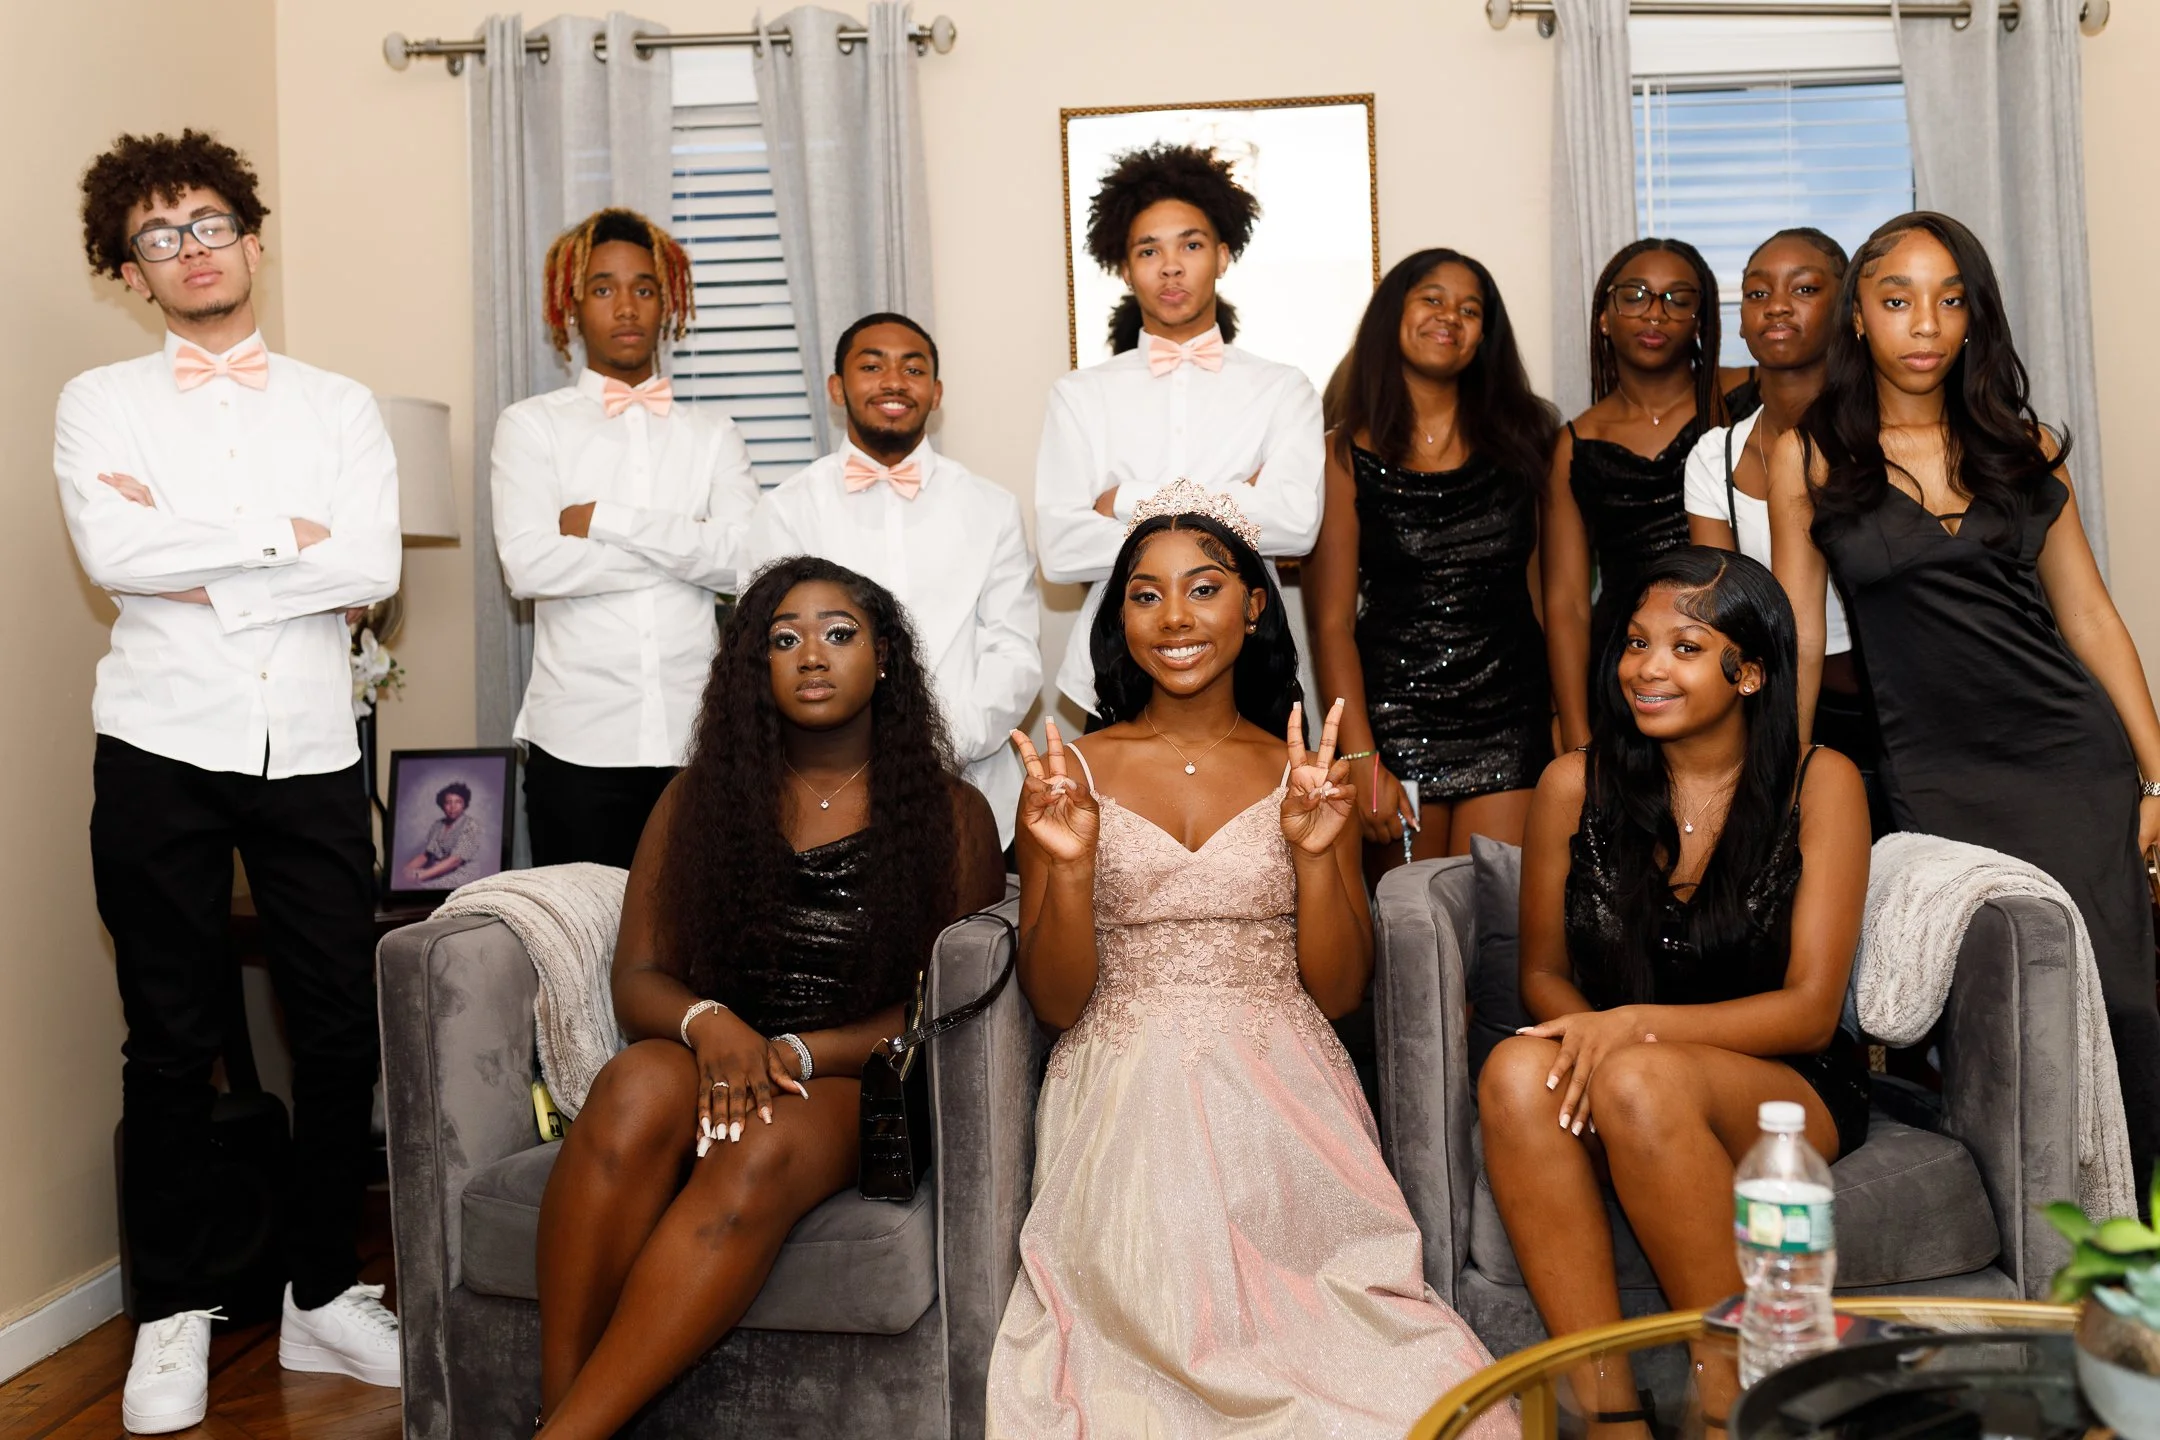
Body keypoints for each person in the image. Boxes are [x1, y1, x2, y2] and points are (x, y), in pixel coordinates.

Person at [987, 483, 1509, 1438]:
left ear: (1255, 604)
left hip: (1287, 1094)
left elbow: (1342, 988)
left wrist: (1317, 855)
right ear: (1119, 620)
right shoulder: (1075, 773)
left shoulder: (1309, 766)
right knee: (1153, 1341)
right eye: (1145, 595)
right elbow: (1059, 1002)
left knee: (1382, 1367)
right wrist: (1065, 871)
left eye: (1204, 588)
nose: (1176, 617)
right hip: (1120, 1092)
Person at [54, 129, 403, 1434]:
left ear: (253, 237)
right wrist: (282, 544)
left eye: (208, 223)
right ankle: (173, 1314)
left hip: (310, 743)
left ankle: (321, 1289)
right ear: (129, 273)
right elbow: (114, 548)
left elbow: (369, 563)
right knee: (172, 1036)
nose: (191, 250)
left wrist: (200, 554)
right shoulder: (100, 405)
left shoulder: (340, 407)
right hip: (156, 741)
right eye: (159, 237)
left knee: (334, 1029)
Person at [533, 557, 1006, 1438]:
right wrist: (710, 1024)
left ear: (887, 658)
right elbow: (636, 978)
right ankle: (559, 1411)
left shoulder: (952, 813)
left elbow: (936, 1010)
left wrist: (790, 1052)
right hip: (718, 1054)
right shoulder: (698, 801)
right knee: (634, 1085)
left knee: (754, 1149)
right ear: (753, 670)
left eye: (838, 634)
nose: (811, 656)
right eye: (782, 640)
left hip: (855, 1075)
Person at [1769, 210, 2160, 1201]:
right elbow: (1801, 643)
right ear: (1859, 315)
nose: (1925, 324)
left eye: (1950, 301)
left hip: (2075, 762)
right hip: (1941, 783)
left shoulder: (2023, 448)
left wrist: (2159, 774)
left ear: (1975, 319)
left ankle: (2132, 1282)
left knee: (2123, 1018)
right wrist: (1775, 787)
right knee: (2003, 1031)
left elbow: (2094, 621)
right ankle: (2037, 1272)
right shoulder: (1809, 458)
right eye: (1897, 300)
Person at [1482, 547, 1871, 1436]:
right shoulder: (1572, 784)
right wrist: (1600, 1031)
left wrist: (1630, 1031)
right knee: (1511, 1072)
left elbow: (1810, 1006)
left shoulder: (1822, 783)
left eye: (1685, 647)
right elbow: (1540, 973)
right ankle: (1610, 1413)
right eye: (1634, 642)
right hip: (1626, 1063)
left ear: (1751, 671)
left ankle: (1736, 1401)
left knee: (1637, 1078)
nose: (1646, 669)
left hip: (1781, 1080)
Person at [491, 206, 760, 868]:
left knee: (702, 953)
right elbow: (529, 567)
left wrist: (604, 520)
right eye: (604, 288)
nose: (627, 307)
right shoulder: (531, 428)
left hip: (698, 746)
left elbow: (747, 564)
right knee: (579, 955)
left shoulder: (713, 433)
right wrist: (686, 552)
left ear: (666, 303)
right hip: (575, 743)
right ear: (572, 306)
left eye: (643, 288)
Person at [1035, 143, 1323, 719]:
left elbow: (1294, 525)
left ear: (1221, 255)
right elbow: (1062, 552)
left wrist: (1127, 500)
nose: (1171, 266)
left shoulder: (1282, 388)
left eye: (1190, 245)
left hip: (1251, 668)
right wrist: (1240, 500)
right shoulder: (1079, 395)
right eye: (1149, 250)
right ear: (1124, 267)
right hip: (1113, 668)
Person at [741, 312, 1040, 846]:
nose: (894, 382)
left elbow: (1013, 652)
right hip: (823, 795)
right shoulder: (784, 510)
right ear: (837, 387)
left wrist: (945, 743)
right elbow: (772, 655)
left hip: (968, 787)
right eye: (872, 365)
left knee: (969, 931)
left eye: (913, 368)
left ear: (936, 391)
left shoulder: (992, 507)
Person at [1304, 248, 1558, 866]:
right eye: (1433, 299)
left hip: (1509, 714)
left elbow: (1549, 596)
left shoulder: (1531, 438)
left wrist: (1558, 718)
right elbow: (1330, 623)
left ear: (1484, 337)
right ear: (1394, 313)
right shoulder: (1339, 453)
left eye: (1471, 309)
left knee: (1500, 927)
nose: (1451, 316)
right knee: (1413, 932)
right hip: (1391, 718)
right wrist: (1360, 759)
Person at [1685, 229, 1882, 813]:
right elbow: (1724, 613)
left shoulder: (1888, 442)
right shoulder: (1713, 458)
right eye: (1755, 293)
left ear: (1850, 312)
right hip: (1777, 706)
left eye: (1804, 288)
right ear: (1740, 325)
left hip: (1891, 702)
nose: (1775, 305)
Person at [1545, 238, 1757, 750]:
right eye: (1636, 295)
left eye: (1678, 299)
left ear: (1702, 320)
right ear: (1604, 317)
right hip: (1628, 669)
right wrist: (1574, 725)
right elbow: (1569, 602)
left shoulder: (1750, 397)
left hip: (1734, 659)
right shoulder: (1574, 444)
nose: (1655, 313)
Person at [402, 782, 483, 887]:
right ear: (442, 805)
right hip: (440, 870)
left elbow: (455, 860)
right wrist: (407, 869)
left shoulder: (471, 825)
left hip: (463, 875)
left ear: (464, 805)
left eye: (458, 802)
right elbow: (427, 855)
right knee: (407, 883)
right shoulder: (438, 825)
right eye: (448, 802)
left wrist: (420, 875)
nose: (452, 807)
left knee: (424, 887)